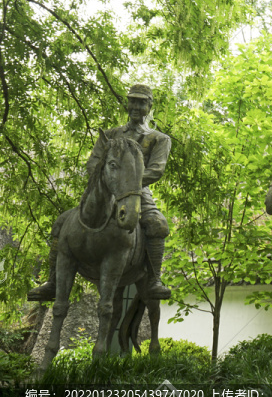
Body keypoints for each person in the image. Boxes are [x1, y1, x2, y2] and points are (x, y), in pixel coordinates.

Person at [28, 84, 173, 301]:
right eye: (132, 101)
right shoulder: (111, 135)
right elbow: (93, 163)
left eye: (142, 102)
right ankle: (53, 282)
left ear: (150, 106)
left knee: (157, 224)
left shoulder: (159, 139)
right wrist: (109, 181)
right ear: (127, 103)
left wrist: (127, 183)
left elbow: (156, 170)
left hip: (137, 195)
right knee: (61, 222)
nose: (136, 106)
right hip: (104, 192)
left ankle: (154, 280)